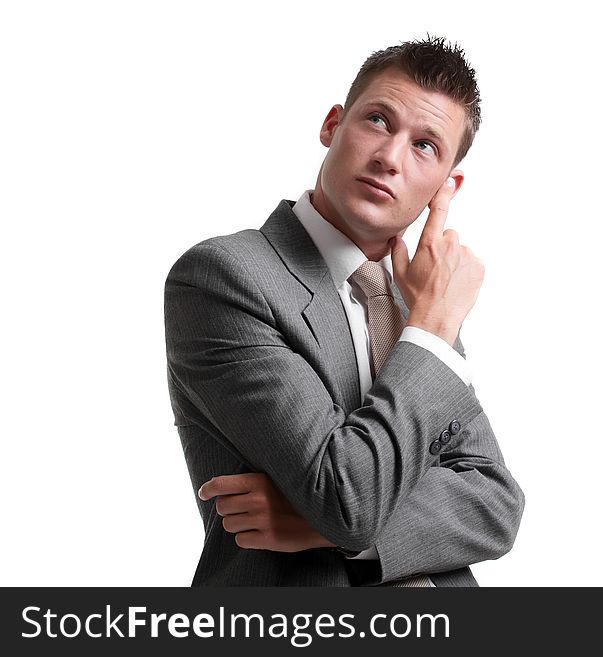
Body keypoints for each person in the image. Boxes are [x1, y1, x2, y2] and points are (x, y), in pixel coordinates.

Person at [164, 36, 525, 587]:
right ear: (333, 125)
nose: (390, 157)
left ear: (446, 185)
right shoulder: (225, 277)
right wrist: (340, 515)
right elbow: (347, 496)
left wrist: (323, 528)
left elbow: (495, 504)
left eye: (425, 145)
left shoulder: (418, 300)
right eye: (379, 120)